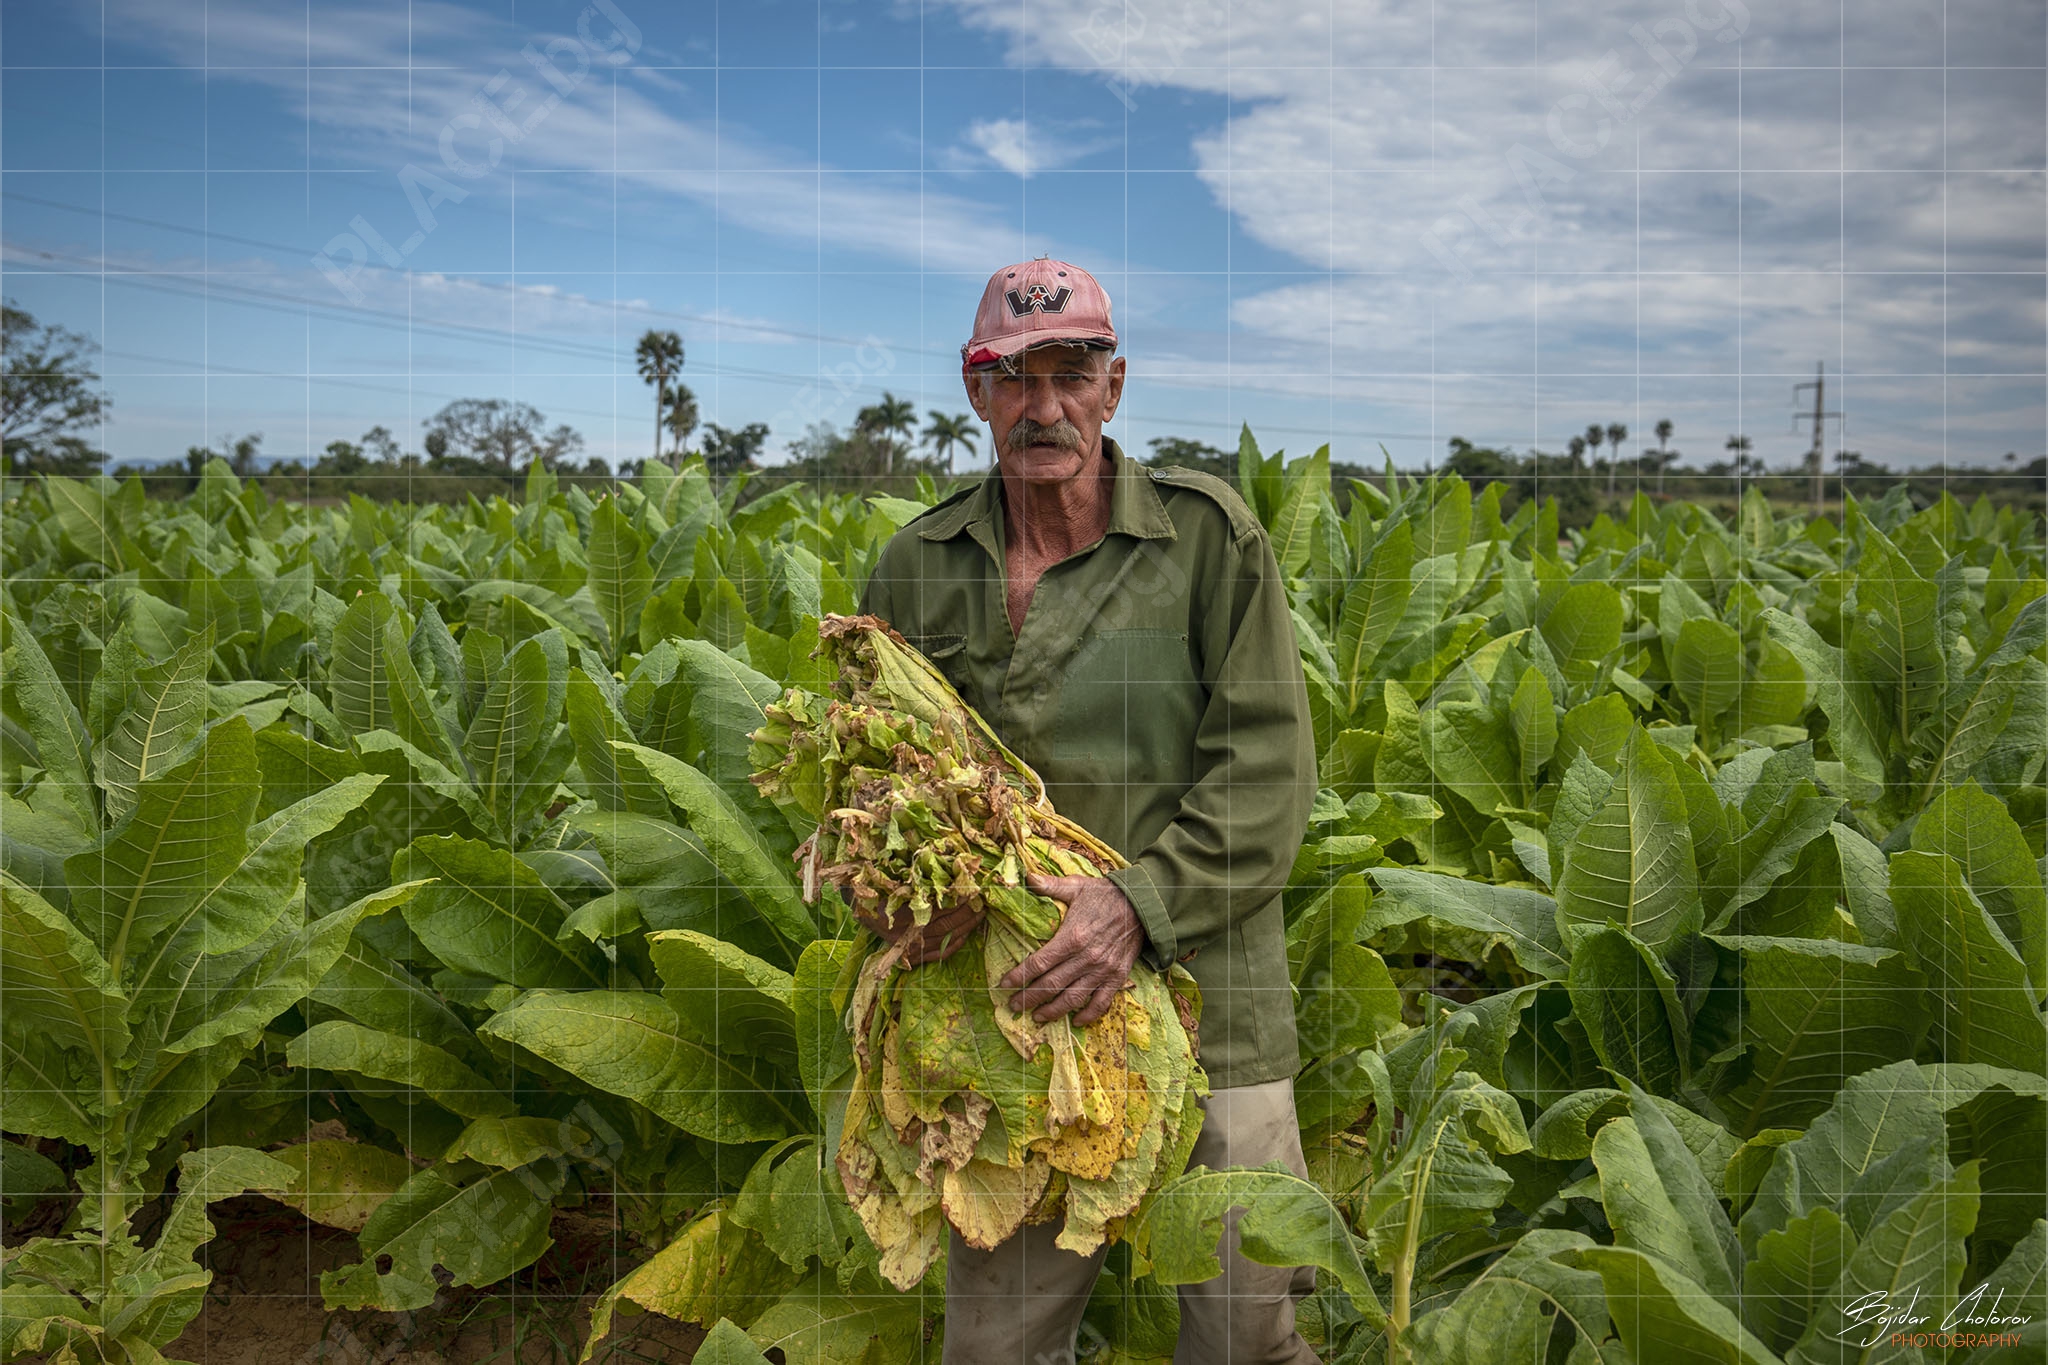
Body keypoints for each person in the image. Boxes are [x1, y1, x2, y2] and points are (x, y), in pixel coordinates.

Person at [856, 258, 1321, 1365]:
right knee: (998, 1345)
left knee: (1241, 1337)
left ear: (1113, 387)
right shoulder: (916, 567)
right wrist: (894, 889)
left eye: (1071, 373)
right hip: (1016, 1013)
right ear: (976, 395)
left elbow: (1265, 766)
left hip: (1214, 997)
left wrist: (1131, 906)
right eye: (1013, 379)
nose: (1044, 406)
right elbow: (873, 780)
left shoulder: (1208, 540)